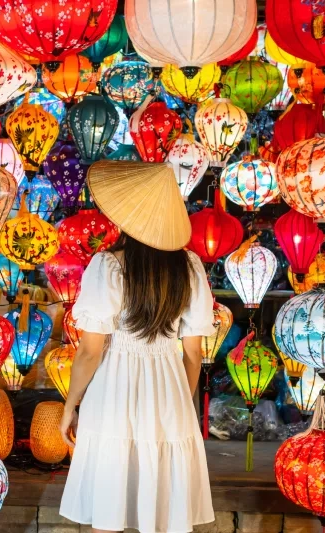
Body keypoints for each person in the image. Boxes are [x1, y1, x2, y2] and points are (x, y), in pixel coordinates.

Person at [59, 161, 216, 533]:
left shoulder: (108, 265)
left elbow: (90, 351)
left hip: (115, 385)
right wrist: (179, 398)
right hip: (170, 386)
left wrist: (70, 404)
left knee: (108, 501)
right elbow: (194, 353)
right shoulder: (190, 266)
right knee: (164, 507)